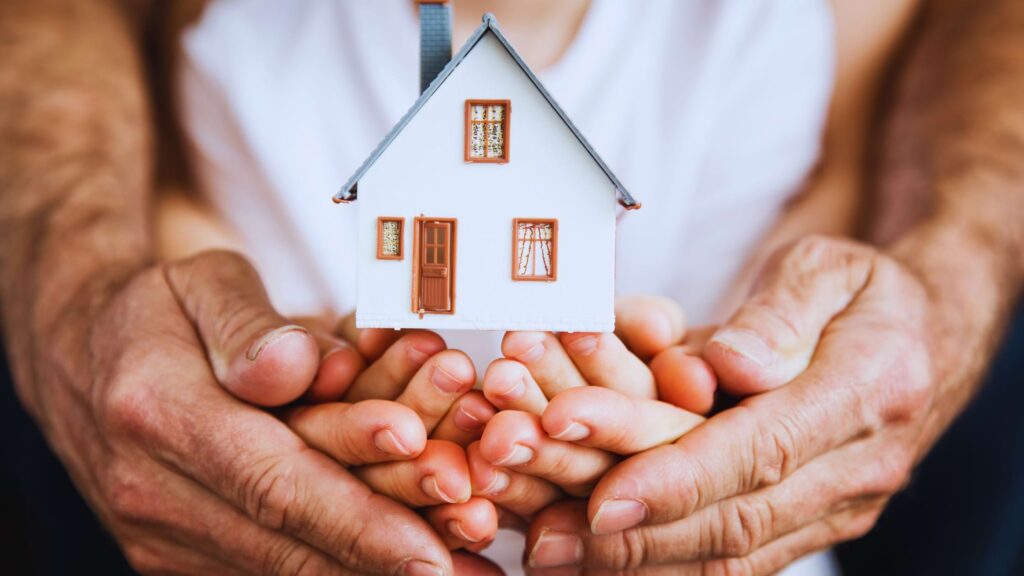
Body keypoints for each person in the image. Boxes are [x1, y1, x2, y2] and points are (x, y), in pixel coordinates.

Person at [0, 2, 1021, 576]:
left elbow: (801, 272)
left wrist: (689, 396)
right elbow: (209, 271)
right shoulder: (230, 44)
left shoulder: (788, 34)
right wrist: (320, 396)